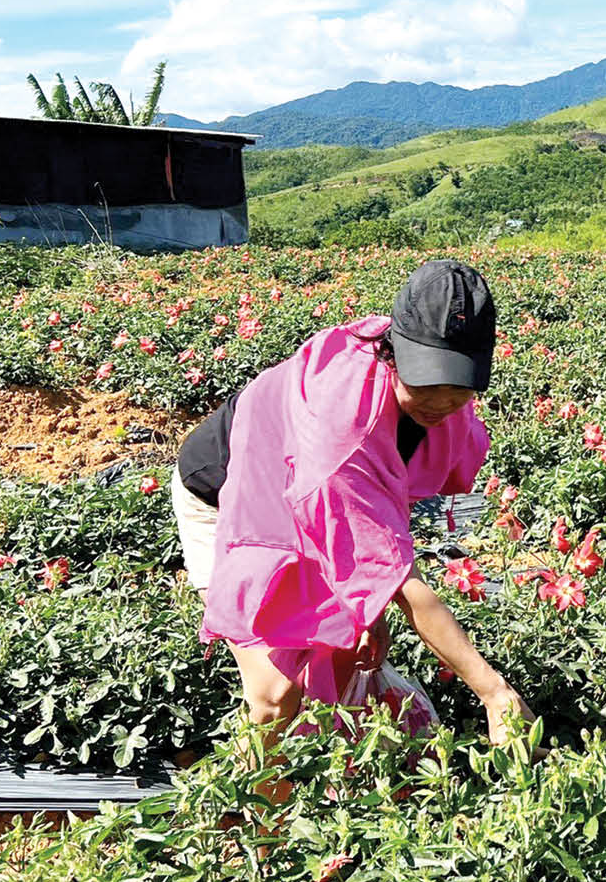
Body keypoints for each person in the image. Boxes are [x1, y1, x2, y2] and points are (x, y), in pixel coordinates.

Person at [173, 258, 534, 744]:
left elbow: (379, 510)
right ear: (393, 353)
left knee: (341, 656)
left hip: (310, 495)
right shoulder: (342, 430)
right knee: (276, 692)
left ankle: (330, 788)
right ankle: (251, 807)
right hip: (231, 500)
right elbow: (399, 577)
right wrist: (493, 691)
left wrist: (370, 612)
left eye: (458, 392)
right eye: (426, 384)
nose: (441, 405)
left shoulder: (435, 411)